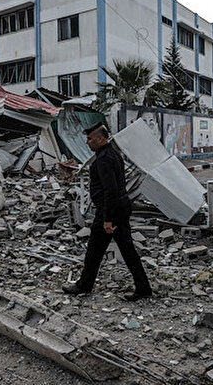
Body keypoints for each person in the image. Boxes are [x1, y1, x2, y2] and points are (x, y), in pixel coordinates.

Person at [62, 123, 152, 301]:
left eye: (90, 139)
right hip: (119, 207)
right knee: (125, 250)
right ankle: (143, 288)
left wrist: (107, 220)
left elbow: (110, 190)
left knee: (96, 249)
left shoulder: (104, 159)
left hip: (110, 211)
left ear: (101, 139)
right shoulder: (113, 154)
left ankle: (84, 285)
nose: (87, 142)